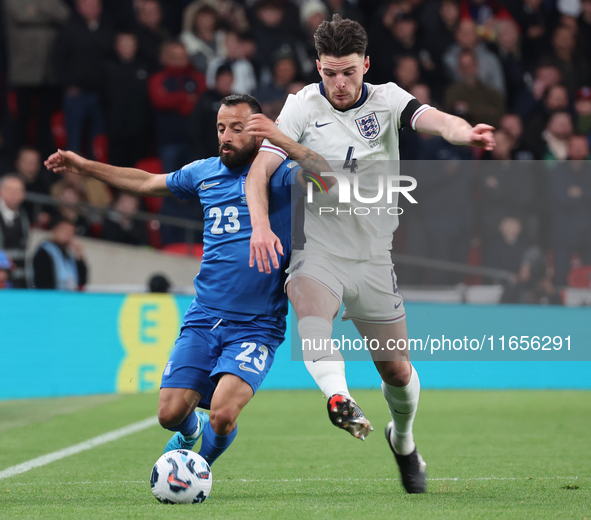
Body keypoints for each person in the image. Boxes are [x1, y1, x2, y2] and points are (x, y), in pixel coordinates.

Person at [244, 15, 495, 494]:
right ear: (318, 66)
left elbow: (436, 120)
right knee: (309, 307)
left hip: (374, 257)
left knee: (397, 372)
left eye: (350, 72)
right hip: (319, 247)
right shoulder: (301, 107)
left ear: (366, 66)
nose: (340, 83)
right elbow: (260, 172)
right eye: (331, 72)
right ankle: (338, 398)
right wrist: (259, 225)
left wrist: (466, 133)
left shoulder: (387, 99)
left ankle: (402, 441)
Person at [45, 94, 296, 467]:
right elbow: (147, 182)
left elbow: (328, 183)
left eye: (237, 129)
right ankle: (191, 431)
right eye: (221, 128)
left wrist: (290, 144)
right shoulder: (204, 172)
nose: (225, 136)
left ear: (260, 132)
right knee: (169, 413)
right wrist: (85, 167)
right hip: (204, 318)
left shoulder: (280, 174)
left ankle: (201, 466)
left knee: (224, 413)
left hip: (257, 324)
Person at [32, 216, 88, 290]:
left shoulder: (69, 256)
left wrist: (79, 257)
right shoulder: (44, 253)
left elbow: (81, 282)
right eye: (64, 230)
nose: (67, 234)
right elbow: (43, 284)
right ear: (54, 230)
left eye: (71, 232)